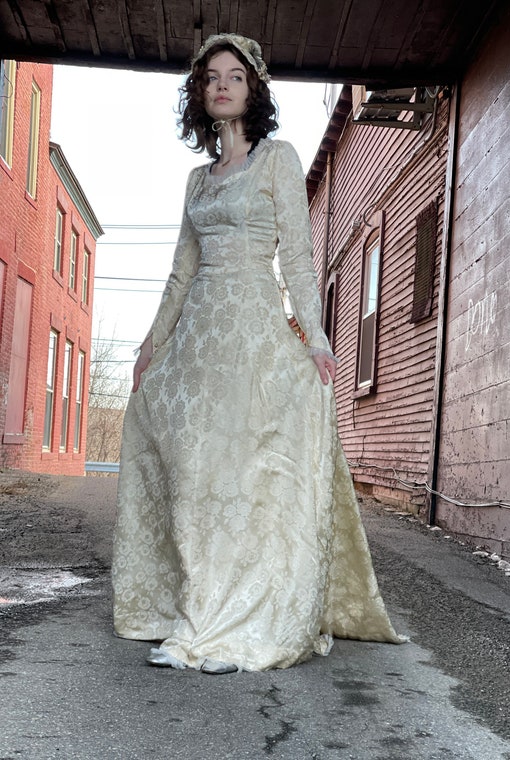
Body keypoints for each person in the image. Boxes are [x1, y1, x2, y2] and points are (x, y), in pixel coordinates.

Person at [112, 33, 406, 675]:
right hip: (197, 342)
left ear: (254, 90)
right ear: (200, 93)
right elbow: (179, 274)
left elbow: (298, 261)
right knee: (196, 480)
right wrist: (148, 346)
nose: (221, 85)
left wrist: (319, 336)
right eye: (211, 76)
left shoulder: (278, 159)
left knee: (243, 478)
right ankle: (196, 606)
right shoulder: (195, 180)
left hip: (252, 334)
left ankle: (240, 615)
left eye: (235, 76)